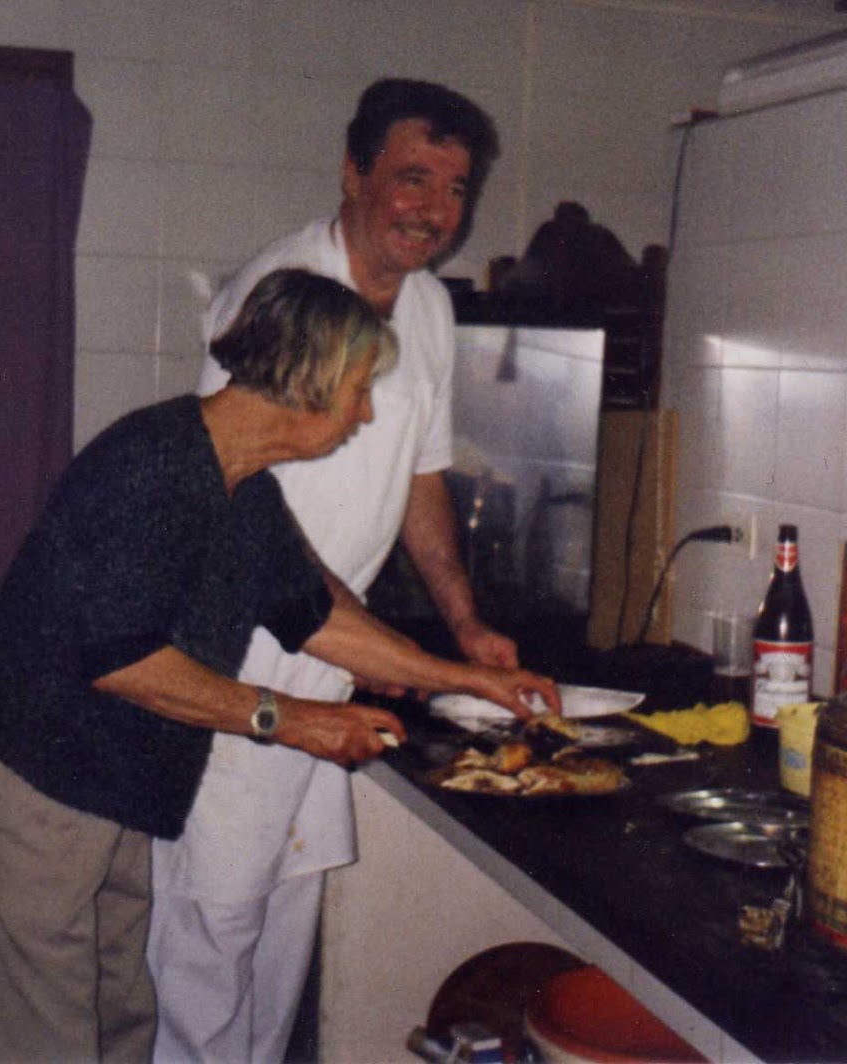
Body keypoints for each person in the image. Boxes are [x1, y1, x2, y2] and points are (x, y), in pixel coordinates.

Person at [0, 268, 557, 1063]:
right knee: (35, 1042)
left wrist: (467, 677)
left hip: (108, 792)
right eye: (360, 390)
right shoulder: (152, 462)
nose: (365, 413)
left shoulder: (240, 486)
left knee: (120, 1026)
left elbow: (315, 616)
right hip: (23, 786)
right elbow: (120, 659)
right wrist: (293, 721)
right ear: (310, 382)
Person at [147, 78, 510, 1063]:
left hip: (329, 654)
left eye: (455, 188)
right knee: (213, 927)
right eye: (412, 178)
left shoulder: (429, 307)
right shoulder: (283, 291)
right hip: (236, 650)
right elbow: (238, 494)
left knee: (285, 917)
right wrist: (385, 647)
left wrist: (463, 621)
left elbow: (423, 476)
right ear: (352, 174)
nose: (434, 209)